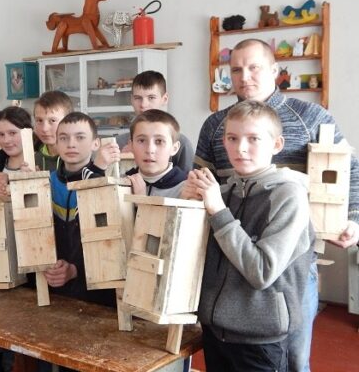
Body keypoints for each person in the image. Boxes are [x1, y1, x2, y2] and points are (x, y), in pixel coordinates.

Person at [189, 38, 359, 372]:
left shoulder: (311, 116)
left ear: (274, 70)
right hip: (227, 264)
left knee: (292, 358)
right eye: (236, 69)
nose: (244, 77)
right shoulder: (215, 125)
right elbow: (200, 180)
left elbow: (349, 171)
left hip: (288, 268)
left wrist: (354, 217)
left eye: (253, 67)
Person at [189, 100, 313, 372]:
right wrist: (186, 203)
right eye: (232, 138)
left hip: (259, 340)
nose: (241, 148)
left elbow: (262, 271)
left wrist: (218, 211)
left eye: (253, 138)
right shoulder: (223, 192)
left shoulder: (288, 196)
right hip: (214, 331)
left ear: (277, 144)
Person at [47, 111, 117, 306]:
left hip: (97, 290)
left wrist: (76, 269)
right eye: (64, 138)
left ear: (95, 144)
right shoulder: (46, 183)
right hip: (54, 285)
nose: (71, 144)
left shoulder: (109, 183)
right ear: (56, 144)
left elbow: (109, 244)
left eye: (80, 137)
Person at [116, 70, 194, 173]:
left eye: (151, 97)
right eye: (138, 98)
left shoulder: (182, 145)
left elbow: (187, 181)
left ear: (164, 99)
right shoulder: (118, 143)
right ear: (131, 100)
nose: (143, 104)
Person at [125, 109, 187, 198]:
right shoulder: (121, 183)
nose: (150, 150)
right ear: (131, 145)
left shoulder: (188, 188)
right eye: (141, 140)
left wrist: (141, 200)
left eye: (159, 141)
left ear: (174, 148)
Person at [0, 106, 34, 198]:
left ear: (28, 132)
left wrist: (10, 180)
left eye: (12, 133)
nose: (6, 140)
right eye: (1, 134)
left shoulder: (41, 162)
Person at [33, 90, 74, 172]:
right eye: (39, 120)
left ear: (69, 121)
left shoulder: (78, 158)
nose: (44, 129)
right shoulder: (33, 160)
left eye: (52, 121)